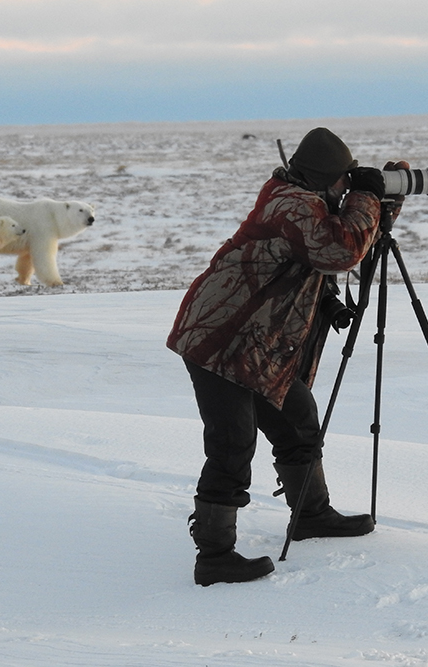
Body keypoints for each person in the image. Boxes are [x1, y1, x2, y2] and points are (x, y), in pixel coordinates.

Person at [166, 127, 408, 586]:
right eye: (343, 180)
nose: (346, 187)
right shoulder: (292, 204)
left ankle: (310, 515)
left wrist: (379, 202)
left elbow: (326, 251)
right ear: (324, 179)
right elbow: (338, 250)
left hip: (255, 343)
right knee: (232, 443)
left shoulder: (304, 199)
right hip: (221, 339)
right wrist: (367, 200)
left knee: (297, 417)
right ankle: (214, 556)